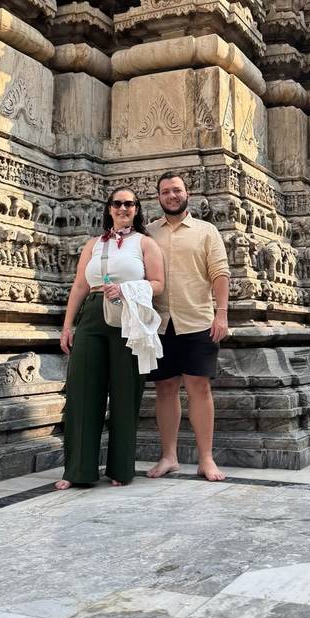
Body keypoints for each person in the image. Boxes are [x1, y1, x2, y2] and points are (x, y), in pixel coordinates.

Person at [55, 188, 164, 490]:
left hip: (128, 316)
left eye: (129, 204)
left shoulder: (144, 243)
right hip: (92, 314)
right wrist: (67, 326)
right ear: (109, 209)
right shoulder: (92, 244)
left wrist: (128, 289)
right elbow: (79, 286)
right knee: (82, 390)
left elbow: (158, 284)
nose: (123, 208)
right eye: (117, 203)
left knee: (125, 391)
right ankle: (78, 470)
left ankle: (120, 468)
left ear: (137, 209)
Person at [146, 173, 230, 481]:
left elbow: (220, 274)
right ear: (159, 198)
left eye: (176, 190)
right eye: (166, 191)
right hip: (158, 323)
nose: (171, 195)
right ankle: (169, 456)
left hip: (198, 320)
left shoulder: (206, 231)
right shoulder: (148, 233)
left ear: (187, 193)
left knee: (199, 388)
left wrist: (221, 314)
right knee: (165, 388)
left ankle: (206, 459)